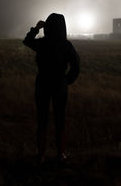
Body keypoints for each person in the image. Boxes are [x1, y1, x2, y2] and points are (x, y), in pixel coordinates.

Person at [23, 13, 80, 163]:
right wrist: (67, 80)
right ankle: (60, 154)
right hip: (60, 84)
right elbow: (76, 65)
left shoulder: (42, 43)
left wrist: (36, 28)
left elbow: (27, 41)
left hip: (42, 82)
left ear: (48, 26)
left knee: (42, 119)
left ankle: (41, 155)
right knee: (60, 119)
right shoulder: (66, 45)